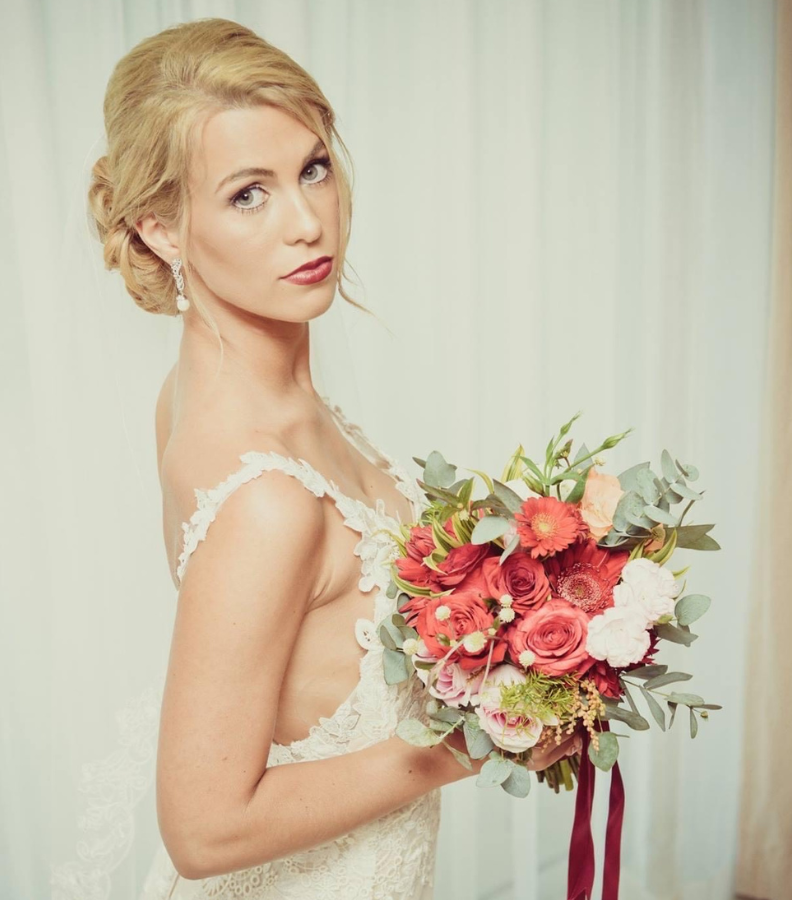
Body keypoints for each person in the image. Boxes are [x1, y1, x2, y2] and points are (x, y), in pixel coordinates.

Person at [53, 18, 579, 900]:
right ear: (161, 228)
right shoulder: (267, 497)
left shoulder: (208, 399)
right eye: (247, 195)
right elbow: (204, 828)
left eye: (313, 168)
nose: (307, 222)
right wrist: (480, 736)